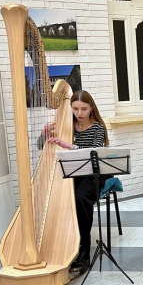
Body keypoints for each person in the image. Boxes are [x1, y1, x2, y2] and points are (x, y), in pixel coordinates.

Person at [47, 90, 110, 273]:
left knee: (80, 198)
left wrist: (69, 146)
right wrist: (45, 135)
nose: (79, 113)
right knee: (56, 197)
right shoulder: (67, 125)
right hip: (73, 172)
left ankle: (83, 253)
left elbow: (94, 152)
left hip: (93, 174)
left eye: (83, 109)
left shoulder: (98, 128)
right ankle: (60, 247)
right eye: (75, 109)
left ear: (91, 108)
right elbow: (43, 145)